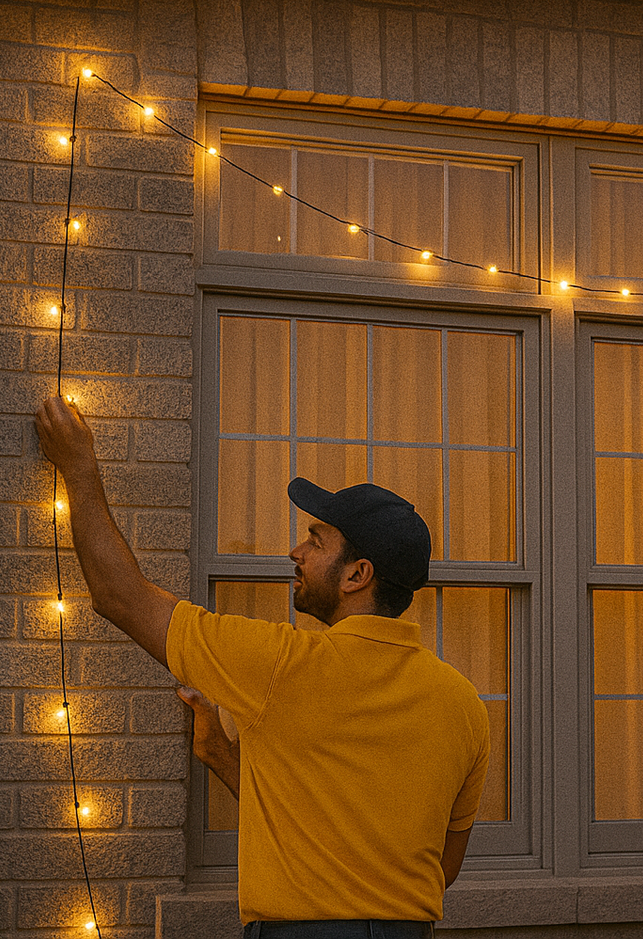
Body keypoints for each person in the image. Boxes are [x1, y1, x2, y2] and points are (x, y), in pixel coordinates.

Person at [35, 397, 489, 939]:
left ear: (356, 575)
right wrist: (222, 756)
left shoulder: (282, 665)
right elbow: (442, 869)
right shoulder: (464, 704)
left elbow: (121, 598)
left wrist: (78, 466)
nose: (296, 551)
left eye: (316, 542)